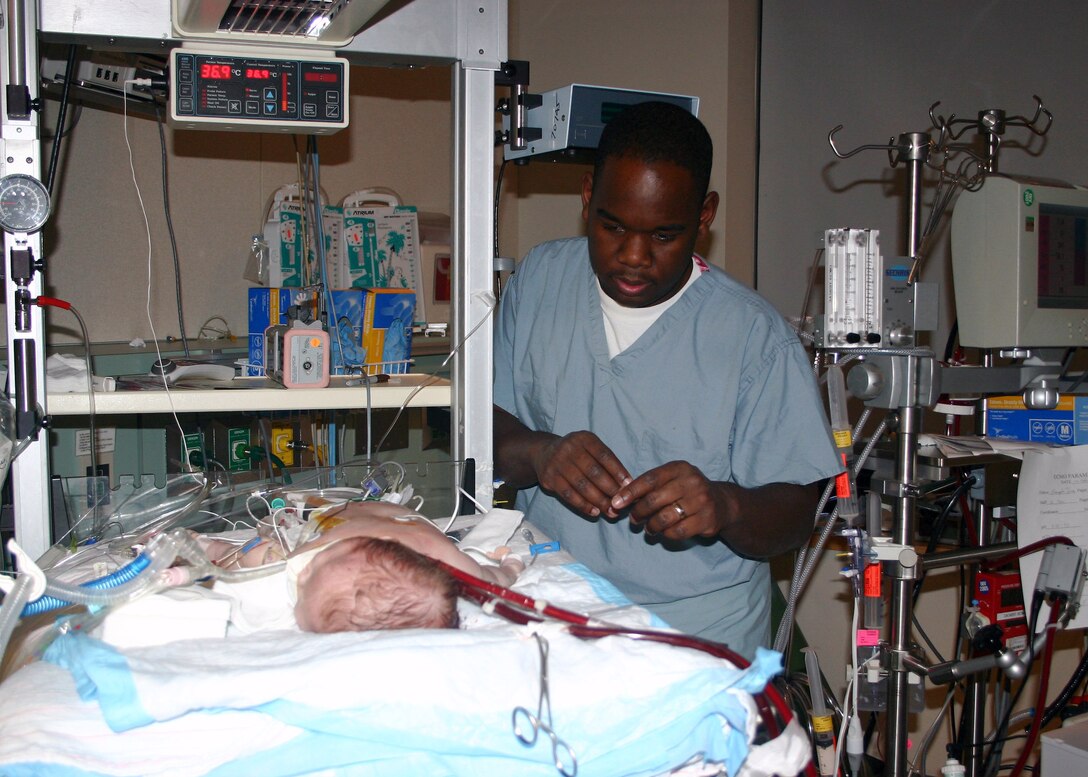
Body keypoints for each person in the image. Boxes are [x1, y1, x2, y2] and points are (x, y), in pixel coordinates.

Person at [493, 101, 842, 659]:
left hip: (694, 637)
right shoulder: (541, 281)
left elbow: (797, 513)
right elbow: (483, 425)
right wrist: (539, 453)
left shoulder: (753, 339)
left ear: (705, 216)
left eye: (663, 235)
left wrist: (724, 506)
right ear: (587, 196)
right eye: (612, 227)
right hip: (553, 608)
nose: (633, 257)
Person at [198, 500, 524, 633]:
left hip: (415, 531)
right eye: (316, 566)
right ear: (346, 546)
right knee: (262, 553)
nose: (303, 572)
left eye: (302, 596)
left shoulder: (442, 556)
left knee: (481, 574)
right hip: (383, 516)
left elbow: (490, 584)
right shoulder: (311, 558)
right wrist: (209, 547)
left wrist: (507, 570)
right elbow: (243, 561)